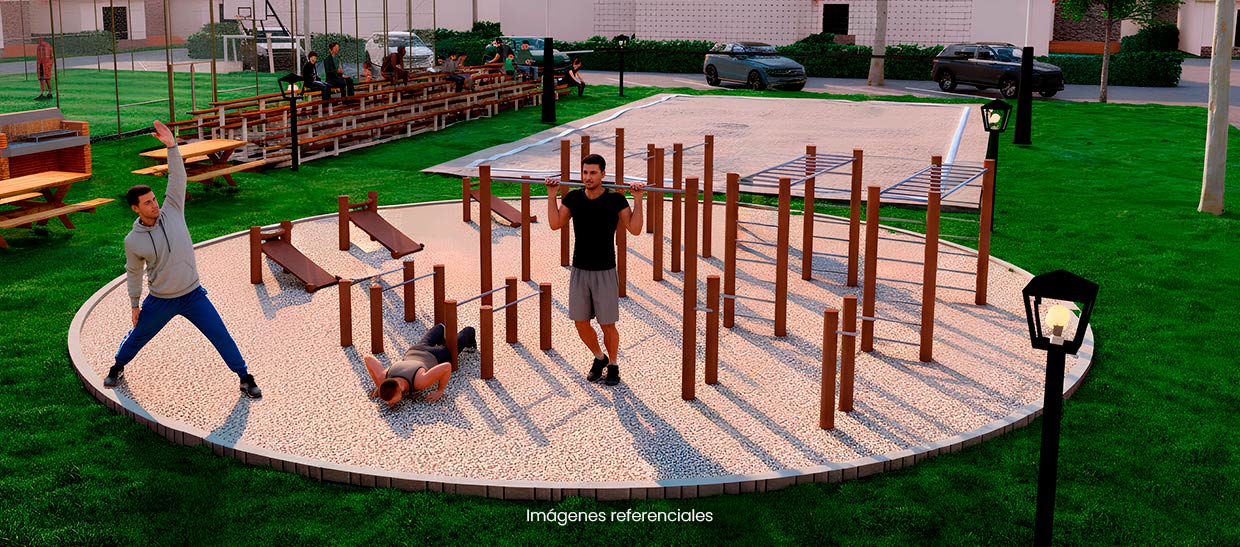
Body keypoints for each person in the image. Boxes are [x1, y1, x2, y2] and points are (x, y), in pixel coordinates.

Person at [105, 120, 261, 398]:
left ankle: (244, 377)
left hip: (193, 295)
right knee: (137, 338)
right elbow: (133, 273)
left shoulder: (173, 210)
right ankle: (117, 366)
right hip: (161, 300)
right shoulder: (134, 241)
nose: (154, 205)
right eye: (148, 203)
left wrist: (172, 147)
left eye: (154, 199)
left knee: (220, 336)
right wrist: (134, 305)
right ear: (135, 208)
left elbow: (178, 178)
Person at [544, 154, 645, 386]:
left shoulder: (615, 200)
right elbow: (555, 223)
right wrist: (552, 195)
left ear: (602, 175)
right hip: (580, 269)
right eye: (585, 172)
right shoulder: (573, 198)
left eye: (593, 173)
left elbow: (635, 229)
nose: (588, 177)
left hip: (605, 271)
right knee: (580, 322)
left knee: (607, 324)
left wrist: (638, 200)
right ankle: (600, 358)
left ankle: (613, 365)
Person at [363, 323, 476, 405]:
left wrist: (440, 391)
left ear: (400, 389)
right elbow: (368, 359)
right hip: (414, 350)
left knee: (454, 347)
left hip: (435, 355)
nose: (389, 404)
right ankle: (440, 328)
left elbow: (446, 367)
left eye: (391, 401)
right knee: (429, 338)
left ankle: (469, 331)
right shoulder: (382, 378)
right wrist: (379, 387)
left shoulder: (419, 382)